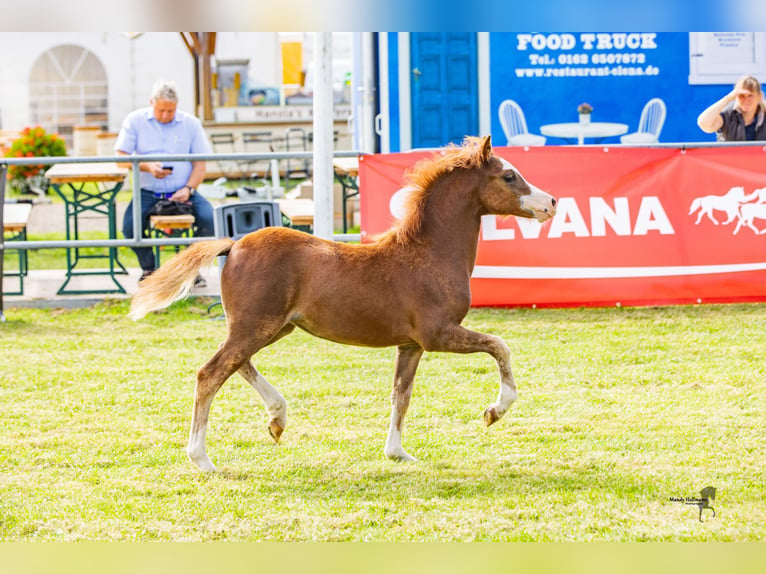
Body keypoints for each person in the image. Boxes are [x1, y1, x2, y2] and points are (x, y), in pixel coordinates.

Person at [115, 79, 215, 283]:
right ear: (152, 102)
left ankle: (188, 268)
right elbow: (120, 156)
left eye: (170, 111)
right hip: (147, 191)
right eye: (161, 110)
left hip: (183, 190)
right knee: (129, 227)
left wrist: (188, 188)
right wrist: (147, 166)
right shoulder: (134, 120)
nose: (165, 115)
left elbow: (200, 165)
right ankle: (150, 269)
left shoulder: (191, 124)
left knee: (210, 219)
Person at [697, 75, 766, 141]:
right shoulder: (727, 115)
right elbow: (703, 123)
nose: (746, 100)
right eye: (741, 95)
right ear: (735, 96)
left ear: (759, 96)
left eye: (750, 95)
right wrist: (728, 98)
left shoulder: (764, 115)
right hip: (728, 153)